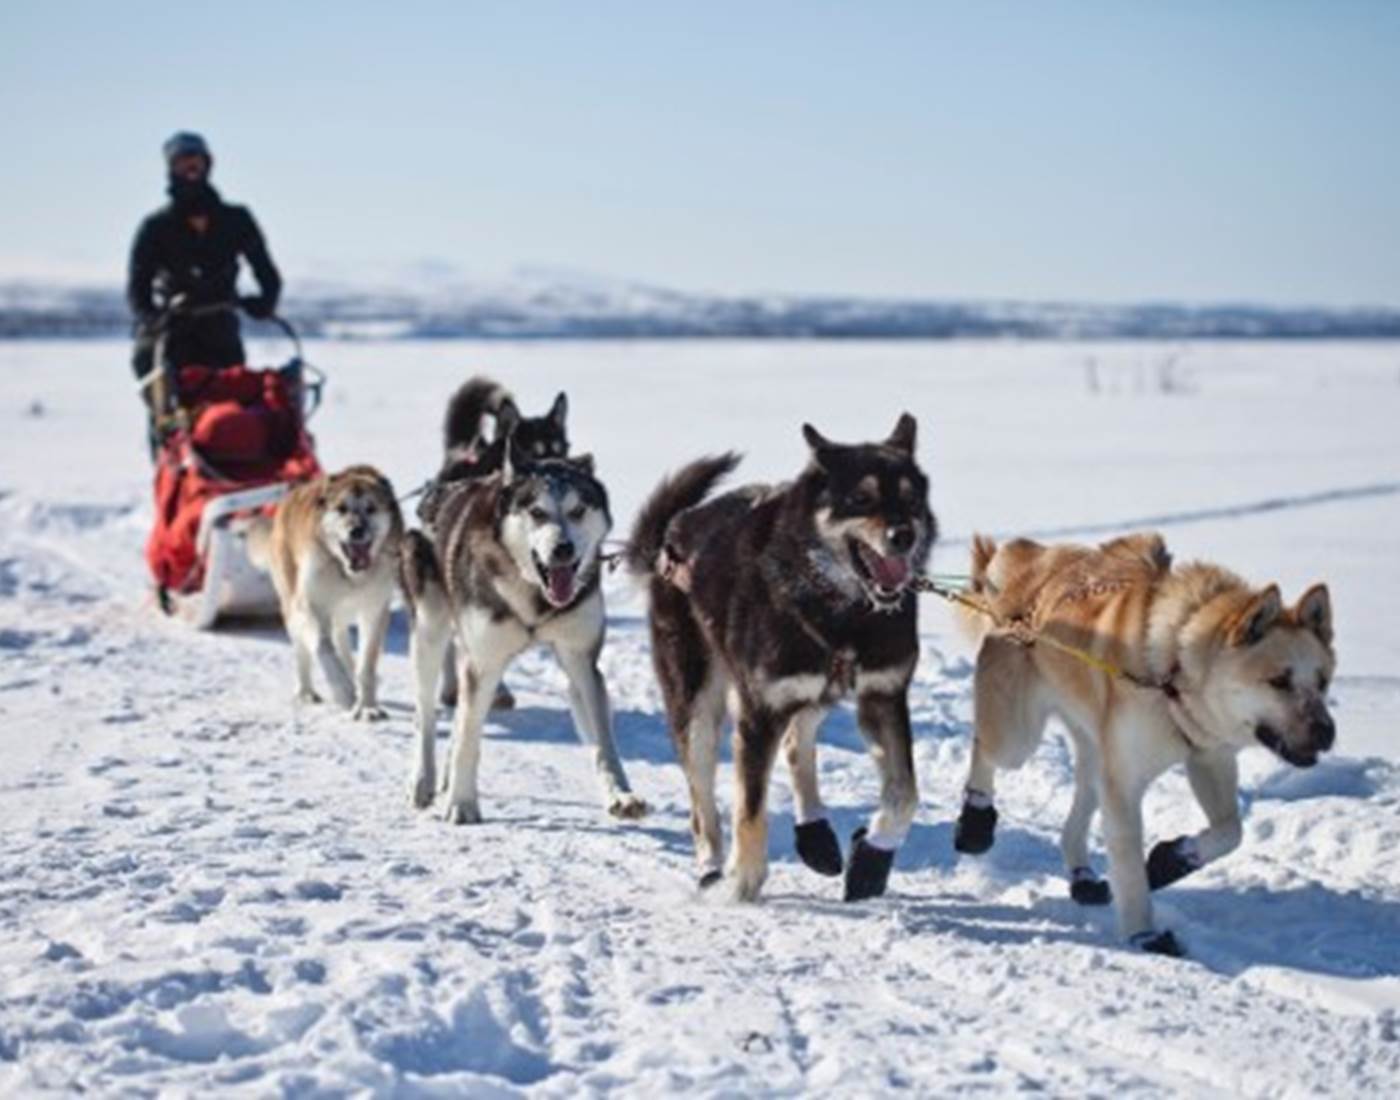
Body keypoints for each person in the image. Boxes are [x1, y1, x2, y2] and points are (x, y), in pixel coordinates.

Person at [127, 131, 282, 386]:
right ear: (171, 168)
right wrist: (153, 318)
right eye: (182, 161)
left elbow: (267, 273)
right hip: (173, 339)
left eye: (196, 161)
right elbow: (137, 287)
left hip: (222, 337)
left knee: (230, 414)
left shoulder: (236, 220)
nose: (190, 168)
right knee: (172, 420)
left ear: (208, 165)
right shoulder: (156, 227)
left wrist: (265, 302)